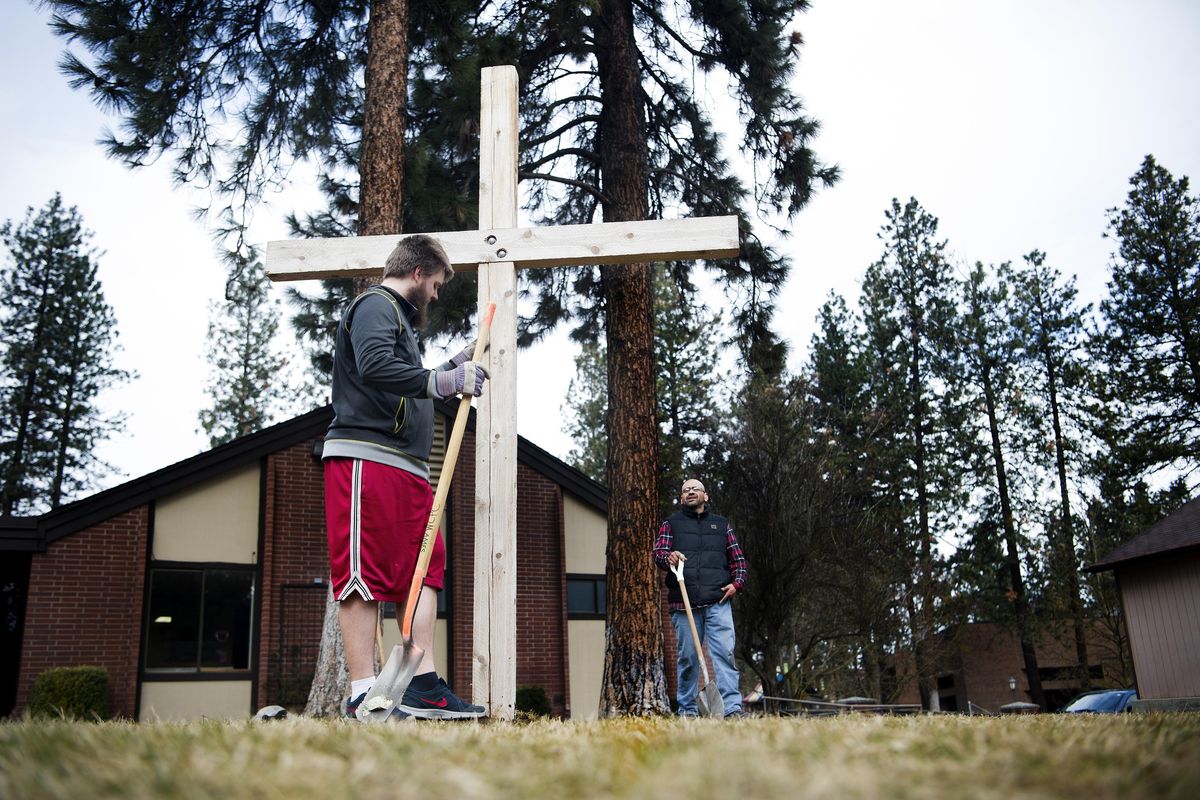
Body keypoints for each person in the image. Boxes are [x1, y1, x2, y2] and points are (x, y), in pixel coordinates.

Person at [323, 233, 489, 720]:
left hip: (407, 467)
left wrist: (447, 369)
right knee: (363, 574)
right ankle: (362, 691)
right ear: (418, 273)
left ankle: (421, 684)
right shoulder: (375, 304)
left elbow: (401, 380)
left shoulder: (398, 323)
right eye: (436, 284)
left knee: (420, 570)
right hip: (366, 458)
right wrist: (440, 381)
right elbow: (375, 366)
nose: (436, 295)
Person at [653, 478, 747, 717]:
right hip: (684, 604)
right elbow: (659, 554)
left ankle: (732, 709)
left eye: (695, 488)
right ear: (682, 498)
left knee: (724, 656)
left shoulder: (721, 525)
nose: (690, 492)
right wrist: (669, 557)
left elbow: (738, 561)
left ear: (706, 496)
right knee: (687, 659)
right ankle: (688, 710)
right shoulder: (671, 524)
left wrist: (737, 584)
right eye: (685, 490)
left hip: (719, 602)